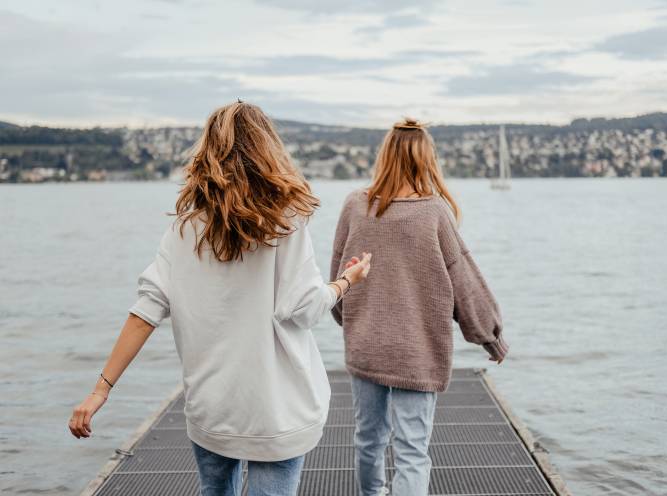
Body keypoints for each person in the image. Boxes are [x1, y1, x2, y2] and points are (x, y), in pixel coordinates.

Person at [68, 101, 372, 496]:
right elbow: (302, 309)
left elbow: (145, 312)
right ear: (268, 149)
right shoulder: (287, 222)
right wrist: (346, 281)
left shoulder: (184, 229)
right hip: (275, 410)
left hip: (212, 408)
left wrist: (100, 390)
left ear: (208, 152)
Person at [330, 118, 509, 496]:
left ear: (385, 156)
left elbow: (338, 275)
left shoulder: (354, 206)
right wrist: (489, 336)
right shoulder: (434, 214)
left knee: (368, 440)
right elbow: (465, 283)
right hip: (417, 350)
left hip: (366, 344)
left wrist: (349, 320)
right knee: (412, 451)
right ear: (427, 160)